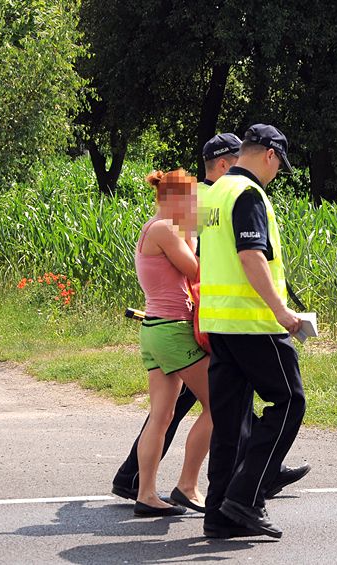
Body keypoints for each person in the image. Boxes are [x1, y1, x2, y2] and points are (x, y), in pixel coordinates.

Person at [112, 134, 309, 508]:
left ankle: (138, 484)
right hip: (185, 326)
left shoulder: (184, 212)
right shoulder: (196, 212)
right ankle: (195, 483)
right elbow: (201, 266)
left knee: (170, 411)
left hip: (165, 325)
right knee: (223, 408)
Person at [199, 124, 307, 539]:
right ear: (269, 155)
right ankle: (246, 496)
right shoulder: (248, 194)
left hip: (218, 323)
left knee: (230, 424)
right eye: (280, 164)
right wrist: (282, 311)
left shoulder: (211, 195)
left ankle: (220, 515)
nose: (277, 172)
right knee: (289, 402)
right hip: (252, 323)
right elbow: (250, 256)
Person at [127, 169, 211, 517]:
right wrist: (193, 231)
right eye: (191, 200)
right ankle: (187, 486)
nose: (195, 206)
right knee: (220, 405)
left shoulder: (156, 228)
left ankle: (146, 494)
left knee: (161, 417)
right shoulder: (164, 230)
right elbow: (196, 270)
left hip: (154, 329)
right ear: (174, 200)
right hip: (173, 330)